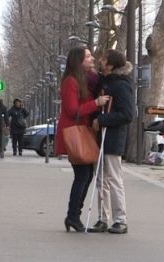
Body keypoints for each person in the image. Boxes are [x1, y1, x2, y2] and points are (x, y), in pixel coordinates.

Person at [55, 46, 110, 232]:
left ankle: (73, 215)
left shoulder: (88, 80)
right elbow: (72, 110)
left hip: (84, 131)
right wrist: (95, 104)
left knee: (86, 175)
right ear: (78, 60)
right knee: (82, 175)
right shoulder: (71, 81)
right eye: (88, 56)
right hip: (75, 133)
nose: (92, 58)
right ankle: (72, 215)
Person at [89, 49, 134, 234]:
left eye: (104, 59)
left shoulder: (121, 85)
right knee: (101, 180)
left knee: (114, 178)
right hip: (101, 137)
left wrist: (102, 120)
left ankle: (120, 219)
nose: (100, 61)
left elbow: (127, 114)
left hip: (113, 137)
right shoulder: (106, 82)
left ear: (111, 65)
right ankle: (103, 218)